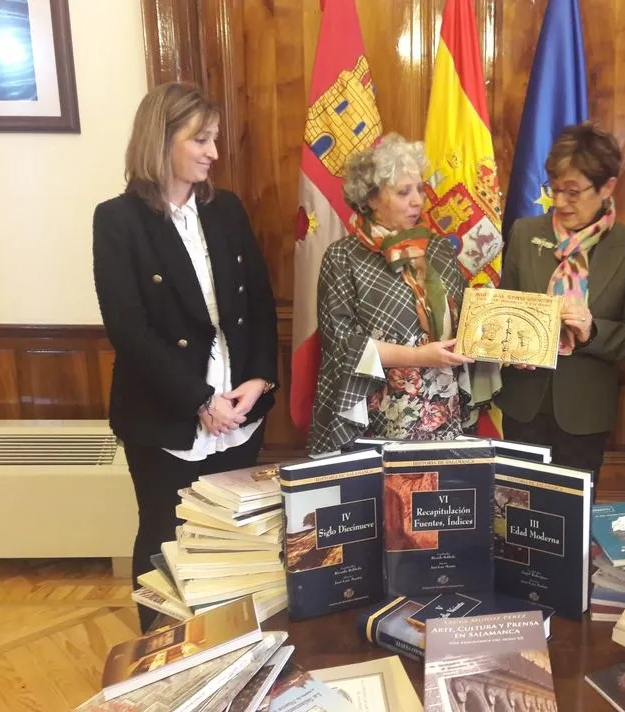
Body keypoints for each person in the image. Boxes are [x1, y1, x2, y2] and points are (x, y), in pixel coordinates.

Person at [92, 83, 278, 632]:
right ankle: (163, 658)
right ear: (160, 139)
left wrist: (260, 379)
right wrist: (201, 401)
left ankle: (231, 653)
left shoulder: (227, 211)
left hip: (239, 414)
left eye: (214, 139)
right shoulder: (117, 220)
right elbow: (129, 330)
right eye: (200, 139)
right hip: (166, 415)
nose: (213, 152)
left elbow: (261, 303)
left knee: (233, 540)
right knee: (163, 537)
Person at [308, 134, 493, 454]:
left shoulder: (438, 251)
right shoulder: (343, 257)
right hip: (379, 415)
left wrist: (518, 337)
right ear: (371, 199)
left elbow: (469, 323)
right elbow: (341, 344)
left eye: (419, 189)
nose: (418, 200)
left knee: (440, 500)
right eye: (403, 192)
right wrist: (419, 357)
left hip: (442, 411)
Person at [495, 122, 625, 487]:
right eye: (555, 189)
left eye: (573, 191)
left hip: (585, 411)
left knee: (570, 519)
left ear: (607, 187)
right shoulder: (524, 233)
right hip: (524, 401)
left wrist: (592, 330)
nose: (560, 202)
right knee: (516, 508)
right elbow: (507, 309)